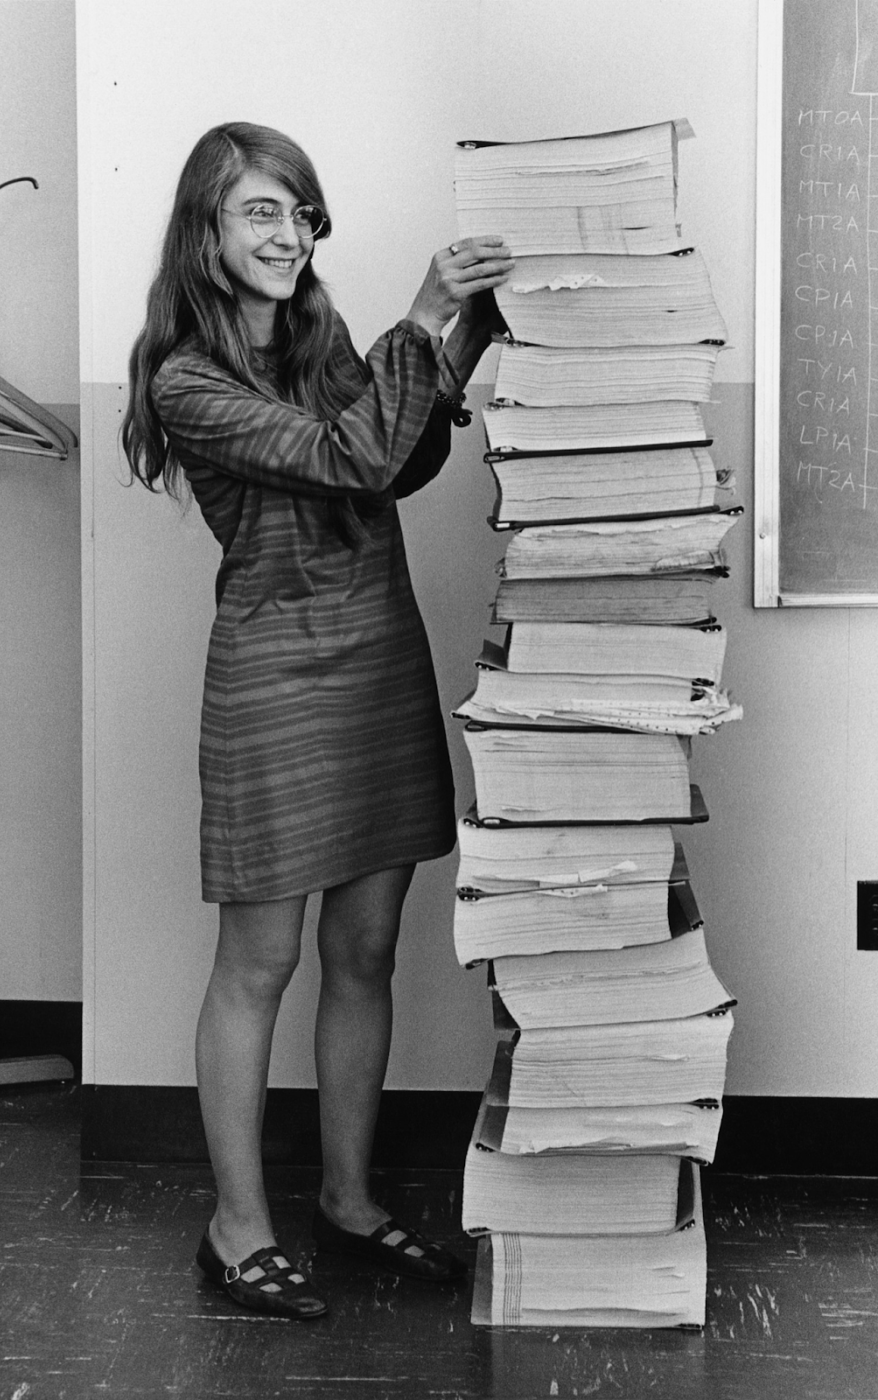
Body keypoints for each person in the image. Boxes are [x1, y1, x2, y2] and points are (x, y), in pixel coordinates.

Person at [123, 121, 512, 1320]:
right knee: (262, 960)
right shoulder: (186, 378)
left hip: (374, 653)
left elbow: (390, 463)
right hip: (274, 673)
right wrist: (422, 310)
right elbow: (347, 453)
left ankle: (345, 1197)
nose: (288, 235)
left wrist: (473, 327)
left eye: (298, 213)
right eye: (260, 212)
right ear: (206, 226)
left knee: (363, 949)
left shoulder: (316, 331)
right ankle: (235, 1227)